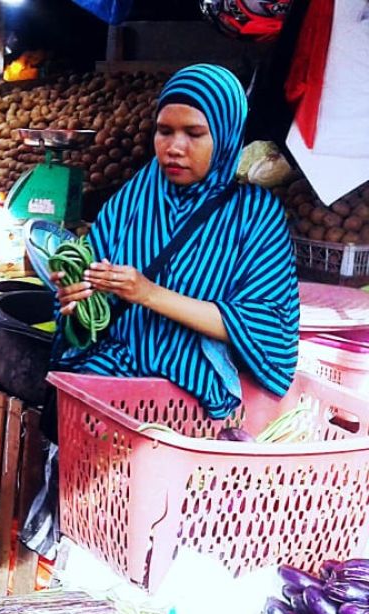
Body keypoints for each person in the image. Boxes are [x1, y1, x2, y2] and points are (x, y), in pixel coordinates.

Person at [54, 64, 299, 418]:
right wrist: (75, 299)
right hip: (109, 389)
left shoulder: (256, 216)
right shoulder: (132, 200)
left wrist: (148, 293)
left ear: (227, 134)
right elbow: (89, 309)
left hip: (193, 405)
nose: (174, 148)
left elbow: (268, 329)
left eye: (195, 133)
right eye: (164, 131)